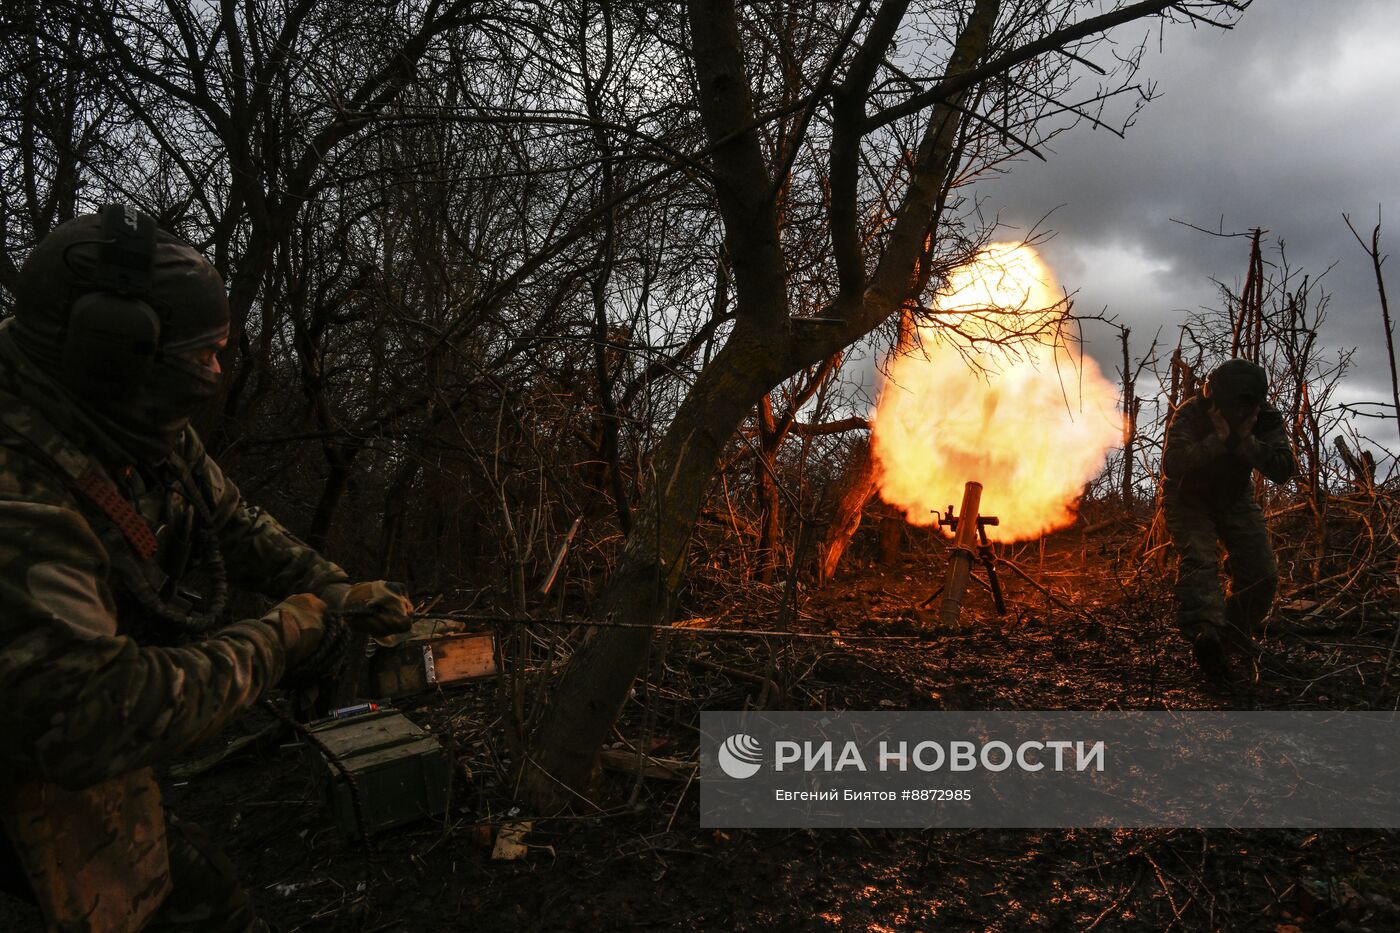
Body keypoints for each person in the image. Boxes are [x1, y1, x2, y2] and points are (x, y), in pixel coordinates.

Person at [0, 205, 413, 932]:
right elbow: (97, 717)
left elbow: (231, 520)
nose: (218, 373)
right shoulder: (18, 493)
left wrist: (334, 587)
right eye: (204, 355)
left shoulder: (120, 410)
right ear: (115, 352)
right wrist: (280, 640)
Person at [1161, 358, 1296, 678]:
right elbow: (1173, 464)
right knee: (1201, 562)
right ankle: (1205, 635)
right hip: (1188, 500)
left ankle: (1232, 634)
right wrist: (1218, 442)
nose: (1237, 412)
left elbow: (1283, 469)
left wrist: (1243, 442)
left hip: (1235, 499)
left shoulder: (1264, 417)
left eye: (1243, 406)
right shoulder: (1192, 412)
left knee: (1262, 573)